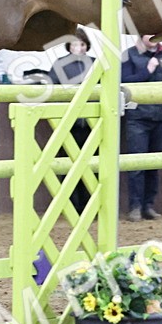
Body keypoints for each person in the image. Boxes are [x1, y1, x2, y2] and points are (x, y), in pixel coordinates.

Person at [120, 34, 162, 221]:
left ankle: (148, 205)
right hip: (138, 117)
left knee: (155, 164)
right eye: (150, 33)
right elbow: (124, 82)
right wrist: (146, 72)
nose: (155, 37)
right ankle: (135, 206)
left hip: (161, 116)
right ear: (141, 35)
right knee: (137, 164)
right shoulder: (129, 55)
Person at [49, 29, 96, 214]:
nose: (79, 48)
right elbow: (52, 91)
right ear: (69, 46)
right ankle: (70, 206)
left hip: (92, 124)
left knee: (91, 167)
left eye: (82, 44)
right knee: (67, 166)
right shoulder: (59, 64)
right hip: (68, 124)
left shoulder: (95, 64)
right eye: (76, 44)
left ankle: (88, 207)